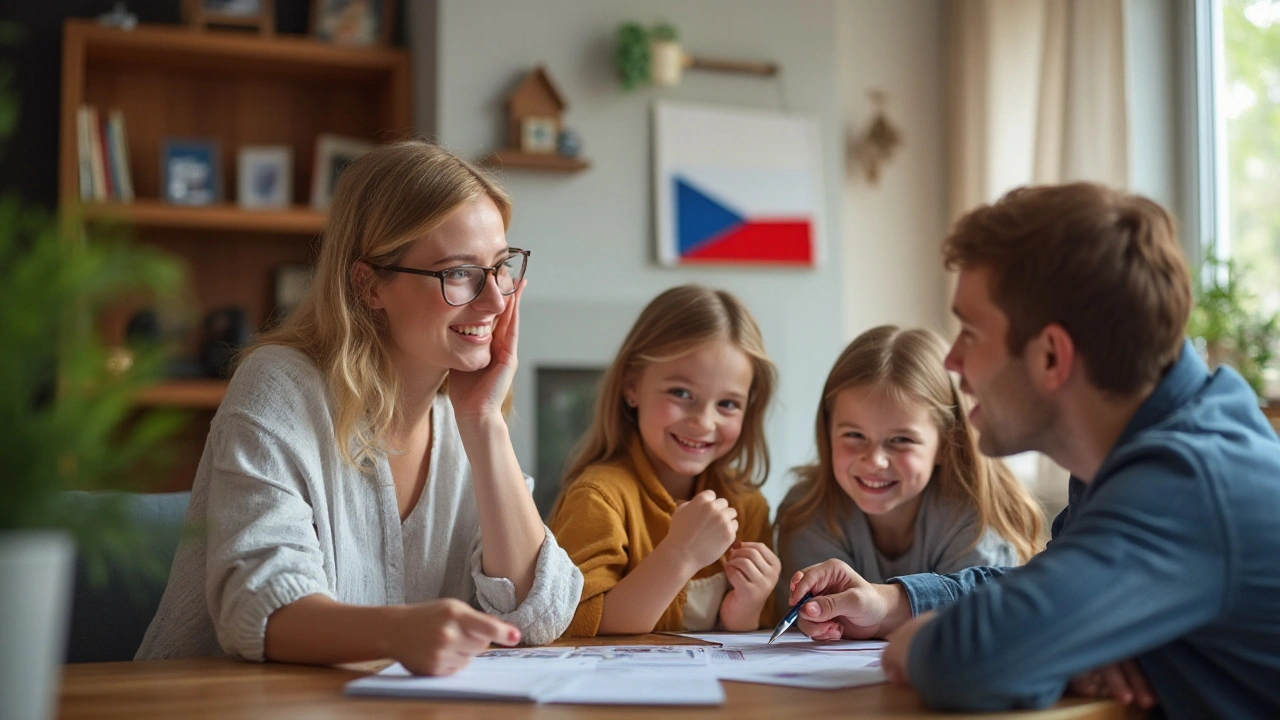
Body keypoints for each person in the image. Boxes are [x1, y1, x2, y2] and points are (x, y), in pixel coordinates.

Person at [788, 182, 1280, 717]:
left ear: (1051, 356)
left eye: (971, 333)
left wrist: (930, 637)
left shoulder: (1182, 484)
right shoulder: (1131, 454)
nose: (952, 361)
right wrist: (896, 603)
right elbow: (1039, 591)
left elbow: (965, 662)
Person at [136, 139, 583, 675]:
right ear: (369, 285)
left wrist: (484, 424)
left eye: (501, 267)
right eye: (460, 273)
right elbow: (259, 607)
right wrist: (399, 631)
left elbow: (540, 617)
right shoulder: (280, 387)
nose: (494, 300)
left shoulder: (461, 418)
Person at [548, 285, 780, 636]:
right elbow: (579, 623)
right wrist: (680, 554)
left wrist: (746, 608)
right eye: (681, 393)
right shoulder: (598, 497)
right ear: (632, 386)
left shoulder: (748, 506)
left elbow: (751, 632)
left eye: (728, 404)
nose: (704, 422)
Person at [775, 325, 1041, 608]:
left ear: (946, 444)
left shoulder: (975, 519)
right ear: (827, 431)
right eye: (854, 435)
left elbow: (978, 616)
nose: (875, 460)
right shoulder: (806, 511)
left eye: (901, 440)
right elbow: (821, 618)